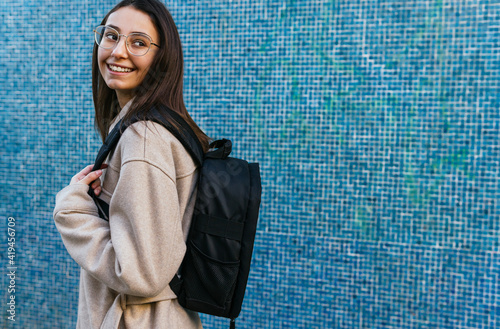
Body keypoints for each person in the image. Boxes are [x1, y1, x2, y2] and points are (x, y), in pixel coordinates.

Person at [53, 0, 209, 328]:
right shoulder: (151, 125)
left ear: (161, 58)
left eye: (138, 42)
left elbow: (141, 273)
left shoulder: (144, 137)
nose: (118, 51)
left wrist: (72, 212)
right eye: (111, 36)